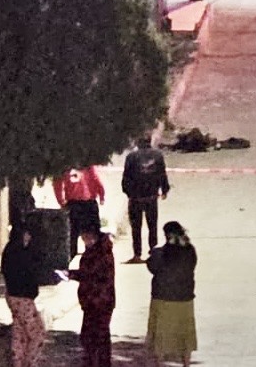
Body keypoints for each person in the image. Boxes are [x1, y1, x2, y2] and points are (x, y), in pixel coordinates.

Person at [146, 222, 198, 367]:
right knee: (184, 334)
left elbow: (152, 266)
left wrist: (154, 253)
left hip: (163, 298)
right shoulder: (190, 250)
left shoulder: (161, 253)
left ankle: (159, 363)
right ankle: (186, 363)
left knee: (160, 335)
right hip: (185, 298)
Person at [67, 223, 116, 367]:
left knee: (96, 336)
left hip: (98, 300)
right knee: (96, 336)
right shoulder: (98, 250)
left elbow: (91, 274)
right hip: (95, 300)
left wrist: (70, 274)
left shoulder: (99, 253)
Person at [122, 134, 171, 264]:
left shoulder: (131, 157)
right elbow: (162, 174)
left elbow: (126, 177)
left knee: (136, 228)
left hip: (136, 198)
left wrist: (128, 193)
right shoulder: (158, 155)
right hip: (151, 197)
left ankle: (137, 255)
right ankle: (153, 253)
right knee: (152, 226)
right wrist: (164, 190)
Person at [1, 224, 45, 367]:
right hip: (22, 297)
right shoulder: (20, 253)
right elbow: (29, 272)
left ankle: (17, 362)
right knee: (37, 333)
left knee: (19, 333)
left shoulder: (9, 250)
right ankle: (29, 363)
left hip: (13, 295)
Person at [53, 166, 105, 259]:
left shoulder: (65, 166)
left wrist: (61, 201)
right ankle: (93, 257)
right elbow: (96, 179)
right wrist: (101, 194)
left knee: (73, 234)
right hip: (88, 202)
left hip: (74, 203)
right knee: (92, 233)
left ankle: (71, 257)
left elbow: (57, 183)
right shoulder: (87, 165)